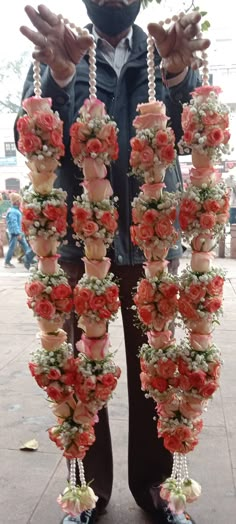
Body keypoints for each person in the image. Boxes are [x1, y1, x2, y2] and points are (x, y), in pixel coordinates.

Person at [16, 2, 210, 523]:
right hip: (83, 242)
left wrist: (178, 73)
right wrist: (58, 78)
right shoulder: (63, 50)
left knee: (161, 370)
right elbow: (29, 136)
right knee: (81, 371)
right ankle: (88, 492)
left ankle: (156, 486)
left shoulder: (163, 49)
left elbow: (195, 129)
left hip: (153, 242)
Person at [4, 192, 35, 269]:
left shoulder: (15, 210)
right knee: (12, 247)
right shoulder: (13, 211)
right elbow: (13, 223)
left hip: (18, 232)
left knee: (25, 246)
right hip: (15, 233)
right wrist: (17, 233)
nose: (21, 202)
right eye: (19, 200)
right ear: (17, 202)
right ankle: (7, 262)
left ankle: (29, 259)